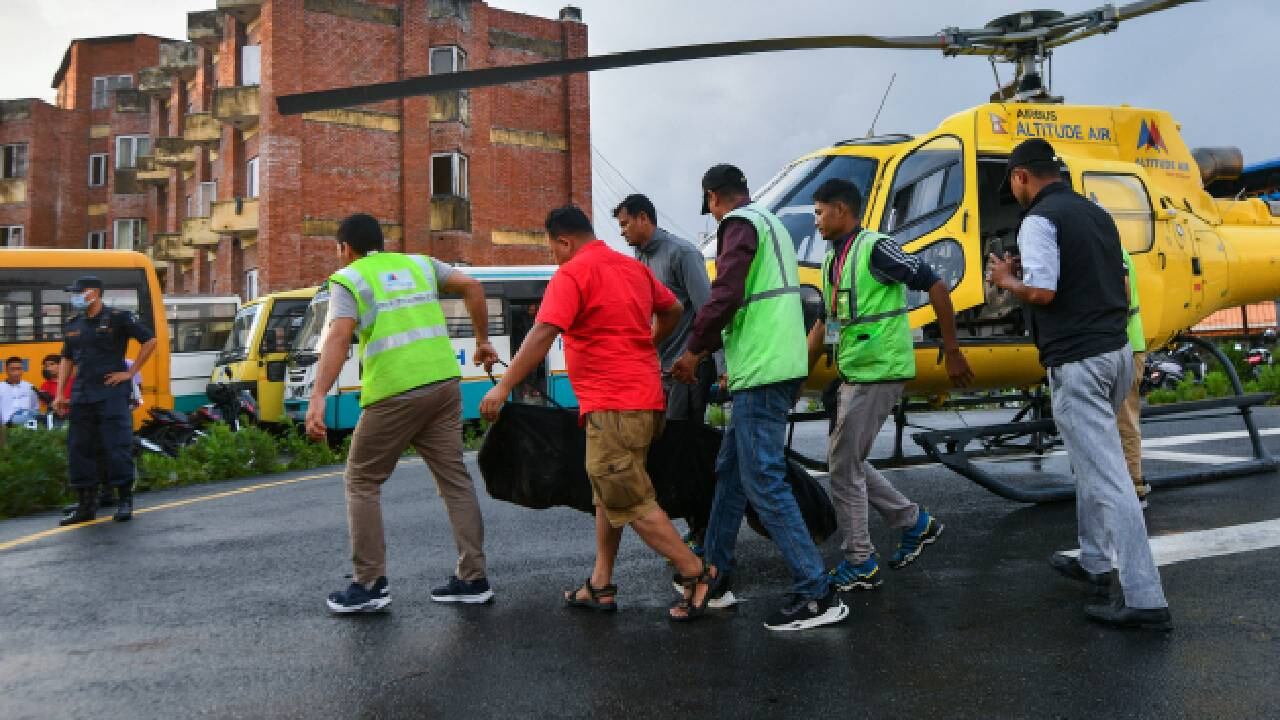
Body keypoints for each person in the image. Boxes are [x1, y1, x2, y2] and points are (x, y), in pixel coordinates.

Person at [478, 206, 717, 622]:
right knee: (609, 493)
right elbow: (674, 309)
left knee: (629, 497)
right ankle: (600, 583)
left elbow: (542, 333)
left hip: (614, 405)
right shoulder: (631, 268)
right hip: (644, 401)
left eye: (553, 248)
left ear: (564, 241)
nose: (554, 256)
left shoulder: (573, 273)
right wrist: (647, 343)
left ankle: (697, 573)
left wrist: (503, 386)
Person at [986, 138, 1171, 631]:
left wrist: (1007, 281)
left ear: (1022, 176)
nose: (1014, 190)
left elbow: (1043, 291)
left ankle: (1146, 599)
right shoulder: (1096, 214)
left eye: (1013, 182)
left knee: (1110, 479)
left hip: (1079, 362)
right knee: (1095, 462)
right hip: (1115, 355)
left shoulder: (1038, 221)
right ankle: (1093, 561)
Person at [671, 164, 848, 631]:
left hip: (763, 369)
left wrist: (694, 351)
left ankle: (817, 592)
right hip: (777, 364)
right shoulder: (774, 227)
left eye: (709, 206)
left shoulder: (739, 225)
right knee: (731, 471)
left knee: (763, 478)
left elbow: (725, 294)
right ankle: (717, 571)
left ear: (713, 198)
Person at [306, 213, 498, 614]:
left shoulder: (350, 278)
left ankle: (370, 584)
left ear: (346, 248)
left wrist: (319, 395)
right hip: (443, 384)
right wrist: (482, 341)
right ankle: (473, 578)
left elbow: (339, 336)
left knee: (362, 480)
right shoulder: (420, 264)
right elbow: (473, 285)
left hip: (394, 390)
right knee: (454, 480)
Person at [803, 178, 974, 592]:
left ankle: (860, 560)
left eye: (820, 212)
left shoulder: (876, 248)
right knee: (848, 462)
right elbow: (826, 323)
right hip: (856, 371)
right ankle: (913, 522)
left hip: (880, 371)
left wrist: (951, 350)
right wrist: (800, 375)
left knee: (843, 466)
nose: (817, 222)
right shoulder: (831, 260)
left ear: (842, 210)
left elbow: (935, 284)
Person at [613, 193, 716, 554]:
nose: (622, 232)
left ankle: (705, 533)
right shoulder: (639, 258)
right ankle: (694, 526)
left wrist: (699, 360)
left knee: (686, 453)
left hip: (686, 372)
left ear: (644, 218)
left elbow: (707, 311)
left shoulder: (681, 253)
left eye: (625, 224)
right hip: (658, 373)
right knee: (668, 453)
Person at [54, 276, 158, 526]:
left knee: (116, 446)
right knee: (80, 449)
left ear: (95, 292)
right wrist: (60, 393)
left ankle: (124, 500)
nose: (76, 296)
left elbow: (150, 340)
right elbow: (67, 359)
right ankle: (86, 504)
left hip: (111, 393)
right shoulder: (73, 324)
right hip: (82, 395)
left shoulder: (118, 317)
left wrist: (130, 373)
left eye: (80, 292)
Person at [1116, 248, 1149, 509]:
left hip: (1125, 344)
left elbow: (1123, 288)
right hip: (1126, 343)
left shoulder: (1110, 248)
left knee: (1125, 418)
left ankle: (1135, 485)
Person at [1, 356, 40, 424]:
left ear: (22, 370)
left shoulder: (30, 387)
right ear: (6, 370)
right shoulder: (1, 387)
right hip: (7, 424)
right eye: (12, 369)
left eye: (19, 369)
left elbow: (35, 408)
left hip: (29, 422)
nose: (16, 372)